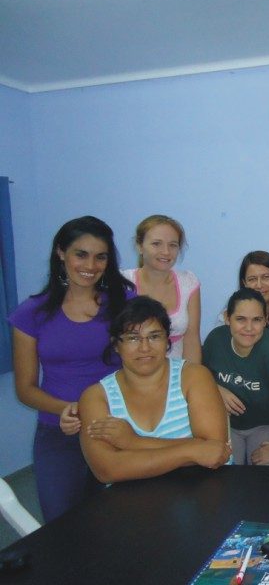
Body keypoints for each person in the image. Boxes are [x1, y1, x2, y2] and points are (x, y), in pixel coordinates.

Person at [8, 216, 134, 520]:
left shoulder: (124, 302)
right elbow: (25, 389)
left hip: (118, 426)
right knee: (62, 522)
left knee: (121, 518)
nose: (91, 265)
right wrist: (69, 409)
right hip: (60, 430)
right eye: (81, 254)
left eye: (100, 256)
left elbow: (144, 362)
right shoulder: (31, 313)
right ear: (61, 252)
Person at [79, 296, 230, 483]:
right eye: (133, 338)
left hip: (204, 488)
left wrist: (133, 442)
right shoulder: (96, 397)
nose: (145, 348)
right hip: (129, 497)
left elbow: (214, 452)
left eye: (154, 336)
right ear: (116, 344)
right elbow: (107, 470)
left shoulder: (194, 376)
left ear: (167, 341)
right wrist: (192, 450)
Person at [203, 288, 269, 465]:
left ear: (265, 320)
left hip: (265, 424)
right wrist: (215, 389)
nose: (249, 328)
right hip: (226, 423)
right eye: (240, 319)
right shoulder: (215, 340)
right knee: (222, 466)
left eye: (257, 320)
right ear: (227, 318)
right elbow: (199, 377)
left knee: (263, 470)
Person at [122, 215, 201, 363]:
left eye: (173, 245)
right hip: (133, 367)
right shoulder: (123, 282)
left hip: (177, 369)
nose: (166, 251)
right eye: (156, 244)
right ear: (140, 246)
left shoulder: (189, 282)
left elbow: (192, 339)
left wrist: (193, 374)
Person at [217, 251, 269, 343]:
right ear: (244, 283)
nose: (259, 285)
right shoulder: (229, 316)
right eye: (252, 279)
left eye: (266, 277)